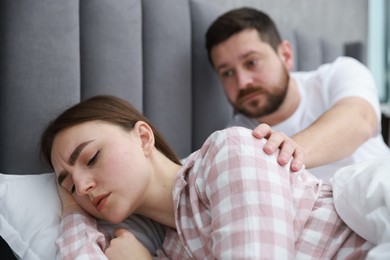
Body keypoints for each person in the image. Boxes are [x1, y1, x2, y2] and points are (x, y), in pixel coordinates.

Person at [40, 95, 372, 259]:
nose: (82, 186)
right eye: (69, 184)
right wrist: (72, 212)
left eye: (92, 158)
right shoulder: (171, 249)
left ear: (143, 137)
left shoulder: (230, 151)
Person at [205, 7, 390, 181]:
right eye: (227, 73)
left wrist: (287, 151)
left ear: (285, 55)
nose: (243, 82)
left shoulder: (338, 74)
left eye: (251, 62)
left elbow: (359, 119)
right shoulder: (236, 138)